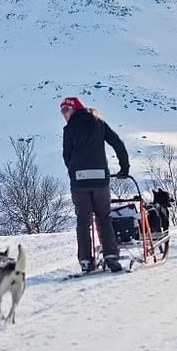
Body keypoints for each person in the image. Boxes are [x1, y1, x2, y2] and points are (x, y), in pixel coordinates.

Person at [60, 95, 130, 274]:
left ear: (74, 109)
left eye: (65, 110)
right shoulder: (99, 124)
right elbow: (118, 144)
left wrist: (74, 172)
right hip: (100, 179)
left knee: (83, 221)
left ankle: (85, 261)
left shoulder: (69, 129)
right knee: (104, 218)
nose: (63, 114)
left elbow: (66, 156)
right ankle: (111, 257)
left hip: (79, 182)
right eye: (61, 111)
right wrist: (124, 168)